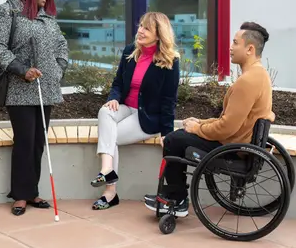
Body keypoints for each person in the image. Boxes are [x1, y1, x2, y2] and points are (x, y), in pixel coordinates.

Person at [144, 22, 274, 217]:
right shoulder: (260, 75)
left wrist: (197, 129)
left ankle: (176, 200)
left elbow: (227, 127)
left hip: (233, 149)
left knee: (173, 140)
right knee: (182, 134)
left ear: (249, 49)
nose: (230, 47)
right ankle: (175, 197)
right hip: (241, 144)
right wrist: (202, 122)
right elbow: (231, 120)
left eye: (235, 42)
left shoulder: (247, 81)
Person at [0, 0, 68, 216]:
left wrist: (59, 67)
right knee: (25, 140)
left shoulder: (47, 18)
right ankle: (20, 195)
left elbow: (62, 44)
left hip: (47, 88)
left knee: (38, 142)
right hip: (20, 89)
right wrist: (22, 70)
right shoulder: (6, 12)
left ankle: (32, 191)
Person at [91, 12, 180, 210]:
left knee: (110, 136)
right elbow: (118, 83)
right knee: (105, 112)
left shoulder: (169, 61)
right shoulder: (130, 51)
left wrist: (167, 133)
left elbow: (169, 100)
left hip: (146, 116)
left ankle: (110, 192)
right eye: (140, 25)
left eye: (146, 28)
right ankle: (107, 168)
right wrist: (113, 98)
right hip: (125, 108)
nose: (140, 30)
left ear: (159, 34)